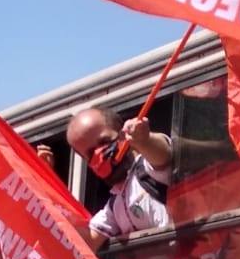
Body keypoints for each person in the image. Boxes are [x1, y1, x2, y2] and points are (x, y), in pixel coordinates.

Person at [59, 107, 173, 250]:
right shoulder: (116, 204)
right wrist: (42, 188)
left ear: (122, 133)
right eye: (91, 153)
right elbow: (87, 242)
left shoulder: (148, 166)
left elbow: (163, 155)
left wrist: (144, 140)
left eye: (104, 141)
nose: (100, 153)